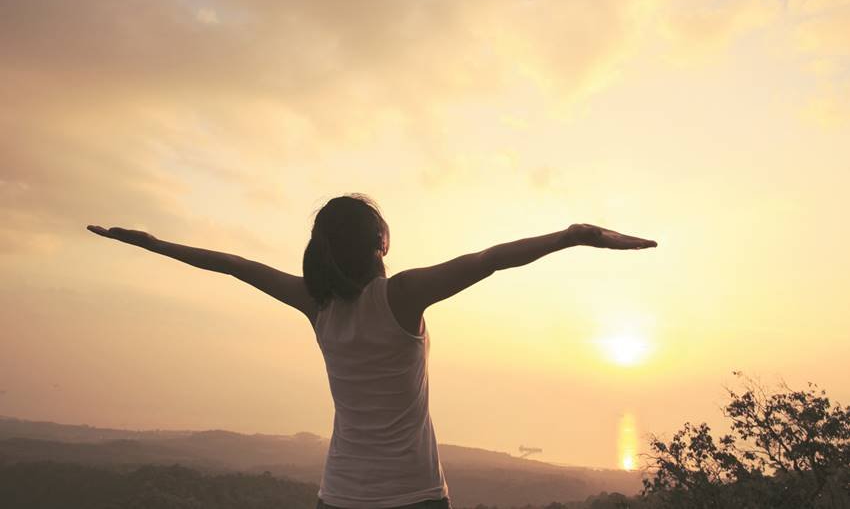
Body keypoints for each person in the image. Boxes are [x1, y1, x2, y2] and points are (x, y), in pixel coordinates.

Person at [87, 192, 657, 509]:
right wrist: (571, 235)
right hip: (414, 495)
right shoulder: (402, 296)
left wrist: (155, 245)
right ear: (382, 243)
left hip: (338, 497)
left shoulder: (317, 304)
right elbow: (492, 258)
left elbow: (234, 266)